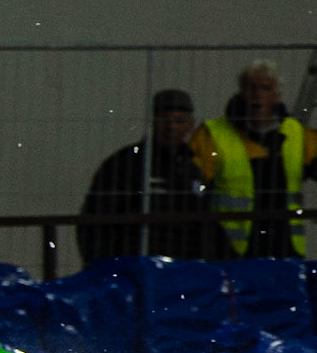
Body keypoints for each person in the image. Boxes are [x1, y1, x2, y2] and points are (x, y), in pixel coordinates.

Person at [76, 88, 226, 265]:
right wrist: (104, 266)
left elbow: (204, 225)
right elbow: (96, 220)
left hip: (182, 270)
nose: (172, 127)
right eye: (165, 119)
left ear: (190, 125)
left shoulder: (192, 170)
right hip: (135, 268)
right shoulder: (126, 164)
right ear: (153, 121)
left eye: (179, 120)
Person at [190, 61, 317, 259]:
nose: (257, 94)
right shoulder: (213, 134)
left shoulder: (298, 134)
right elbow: (190, 187)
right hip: (230, 251)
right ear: (241, 93)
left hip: (285, 249)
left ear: (276, 96)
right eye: (251, 87)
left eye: (265, 88)